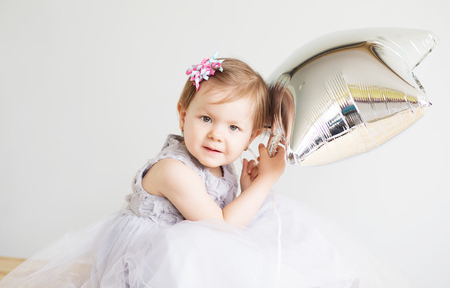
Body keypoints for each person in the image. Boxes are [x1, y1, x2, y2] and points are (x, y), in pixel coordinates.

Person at [0, 54, 409, 288]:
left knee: (279, 219)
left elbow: (229, 223)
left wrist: (247, 189)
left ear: (252, 135)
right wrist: (264, 180)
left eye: (234, 128)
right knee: (194, 246)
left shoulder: (221, 164)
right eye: (206, 119)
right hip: (150, 260)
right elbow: (218, 231)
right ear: (183, 115)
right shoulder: (171, 170)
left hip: (200, 242)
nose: (217, 136)